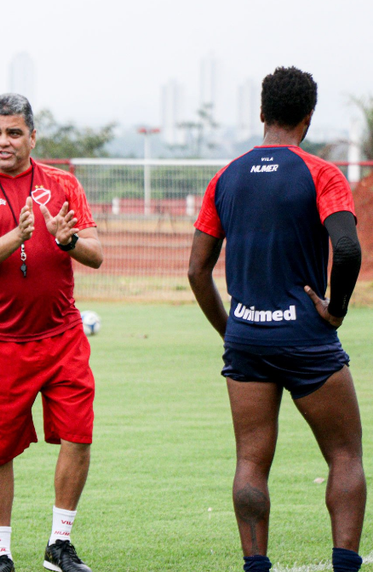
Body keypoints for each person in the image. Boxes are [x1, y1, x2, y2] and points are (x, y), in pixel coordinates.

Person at [188, 67, 365, 572]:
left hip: (247, 339)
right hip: (308, 339)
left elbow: (197, 270)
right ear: (308, 119)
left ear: (261, 113)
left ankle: (255, 566)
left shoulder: (226, 177)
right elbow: (348, 247)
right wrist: (337, 308)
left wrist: (232, 330)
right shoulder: (320, 173)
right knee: (344, 456)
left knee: (250, 461)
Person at [0, 93, 103, 572]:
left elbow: (96, 253)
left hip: (62, 336)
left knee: (79, 436)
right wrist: (20, 234)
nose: (3, 142)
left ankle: (59, 545)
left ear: (33, 137)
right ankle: (0, 553)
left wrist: (67, 239)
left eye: (14, 132)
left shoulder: (63, 184)